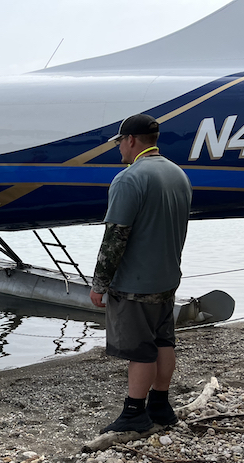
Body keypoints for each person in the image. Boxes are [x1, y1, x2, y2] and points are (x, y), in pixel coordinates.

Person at [89, 114, 192, 433]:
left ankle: (134, 413)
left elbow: (116, 236)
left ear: (131, 140)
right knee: (164, 342)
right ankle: (160, 405)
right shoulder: (178, 175)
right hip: (167, 279)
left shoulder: (128, 178)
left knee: (141, 350)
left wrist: (99, 284)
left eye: (120, 142)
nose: (119, 148)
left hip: (136, 284)